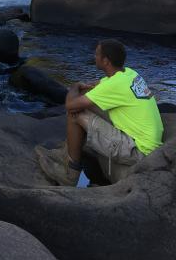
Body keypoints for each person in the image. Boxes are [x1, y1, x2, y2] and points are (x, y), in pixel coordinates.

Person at [36, 39, 163, 186]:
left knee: (75, 113)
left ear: (106, 61)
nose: (94, 57)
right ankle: (66, 154)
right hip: (147, 143)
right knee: (86, 103)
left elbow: (70, 105)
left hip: (138, 151)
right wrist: (84, 88)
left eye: (97, 54)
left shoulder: (115, 84)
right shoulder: (128, 73)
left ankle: (70, 174)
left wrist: (74, 87)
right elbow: (97, 86)